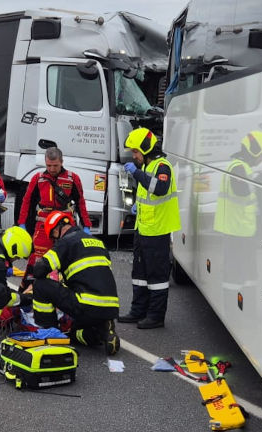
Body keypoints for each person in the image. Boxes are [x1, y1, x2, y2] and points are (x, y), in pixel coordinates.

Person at [30, 211, 120, 354]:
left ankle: (49, 332)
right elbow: (91, 275)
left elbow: (39, 270)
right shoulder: (98, 242)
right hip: (111, 307)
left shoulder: (66, 242)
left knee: (40, 286)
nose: (54, 241)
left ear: (57, 229)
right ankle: (103, 331)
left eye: (53, 236)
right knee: (75, 333)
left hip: (85, 305)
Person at [118, 127, 180, 330]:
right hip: (143, 229)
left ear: (145, 149)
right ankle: (138, 311)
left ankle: (155, 316)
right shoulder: (148, 167)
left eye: (136, 152)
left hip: (157, 232)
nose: (134, 156)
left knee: (157, 278)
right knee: (140, 275)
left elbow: (160, 189)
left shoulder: (163, 167)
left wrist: (136, 173)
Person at [17, 147, 90, 269]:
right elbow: (27, 202)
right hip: (43, 225)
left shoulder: (72, 178)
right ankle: (31, 286)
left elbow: (80, 202)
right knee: (37, 261)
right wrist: (22, 223)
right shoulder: (38, 179)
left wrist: (86, 225)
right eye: (48, 165)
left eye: (55, 165)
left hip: (65, 225)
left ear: (62, 162)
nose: (51, 169)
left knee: (66, 260)